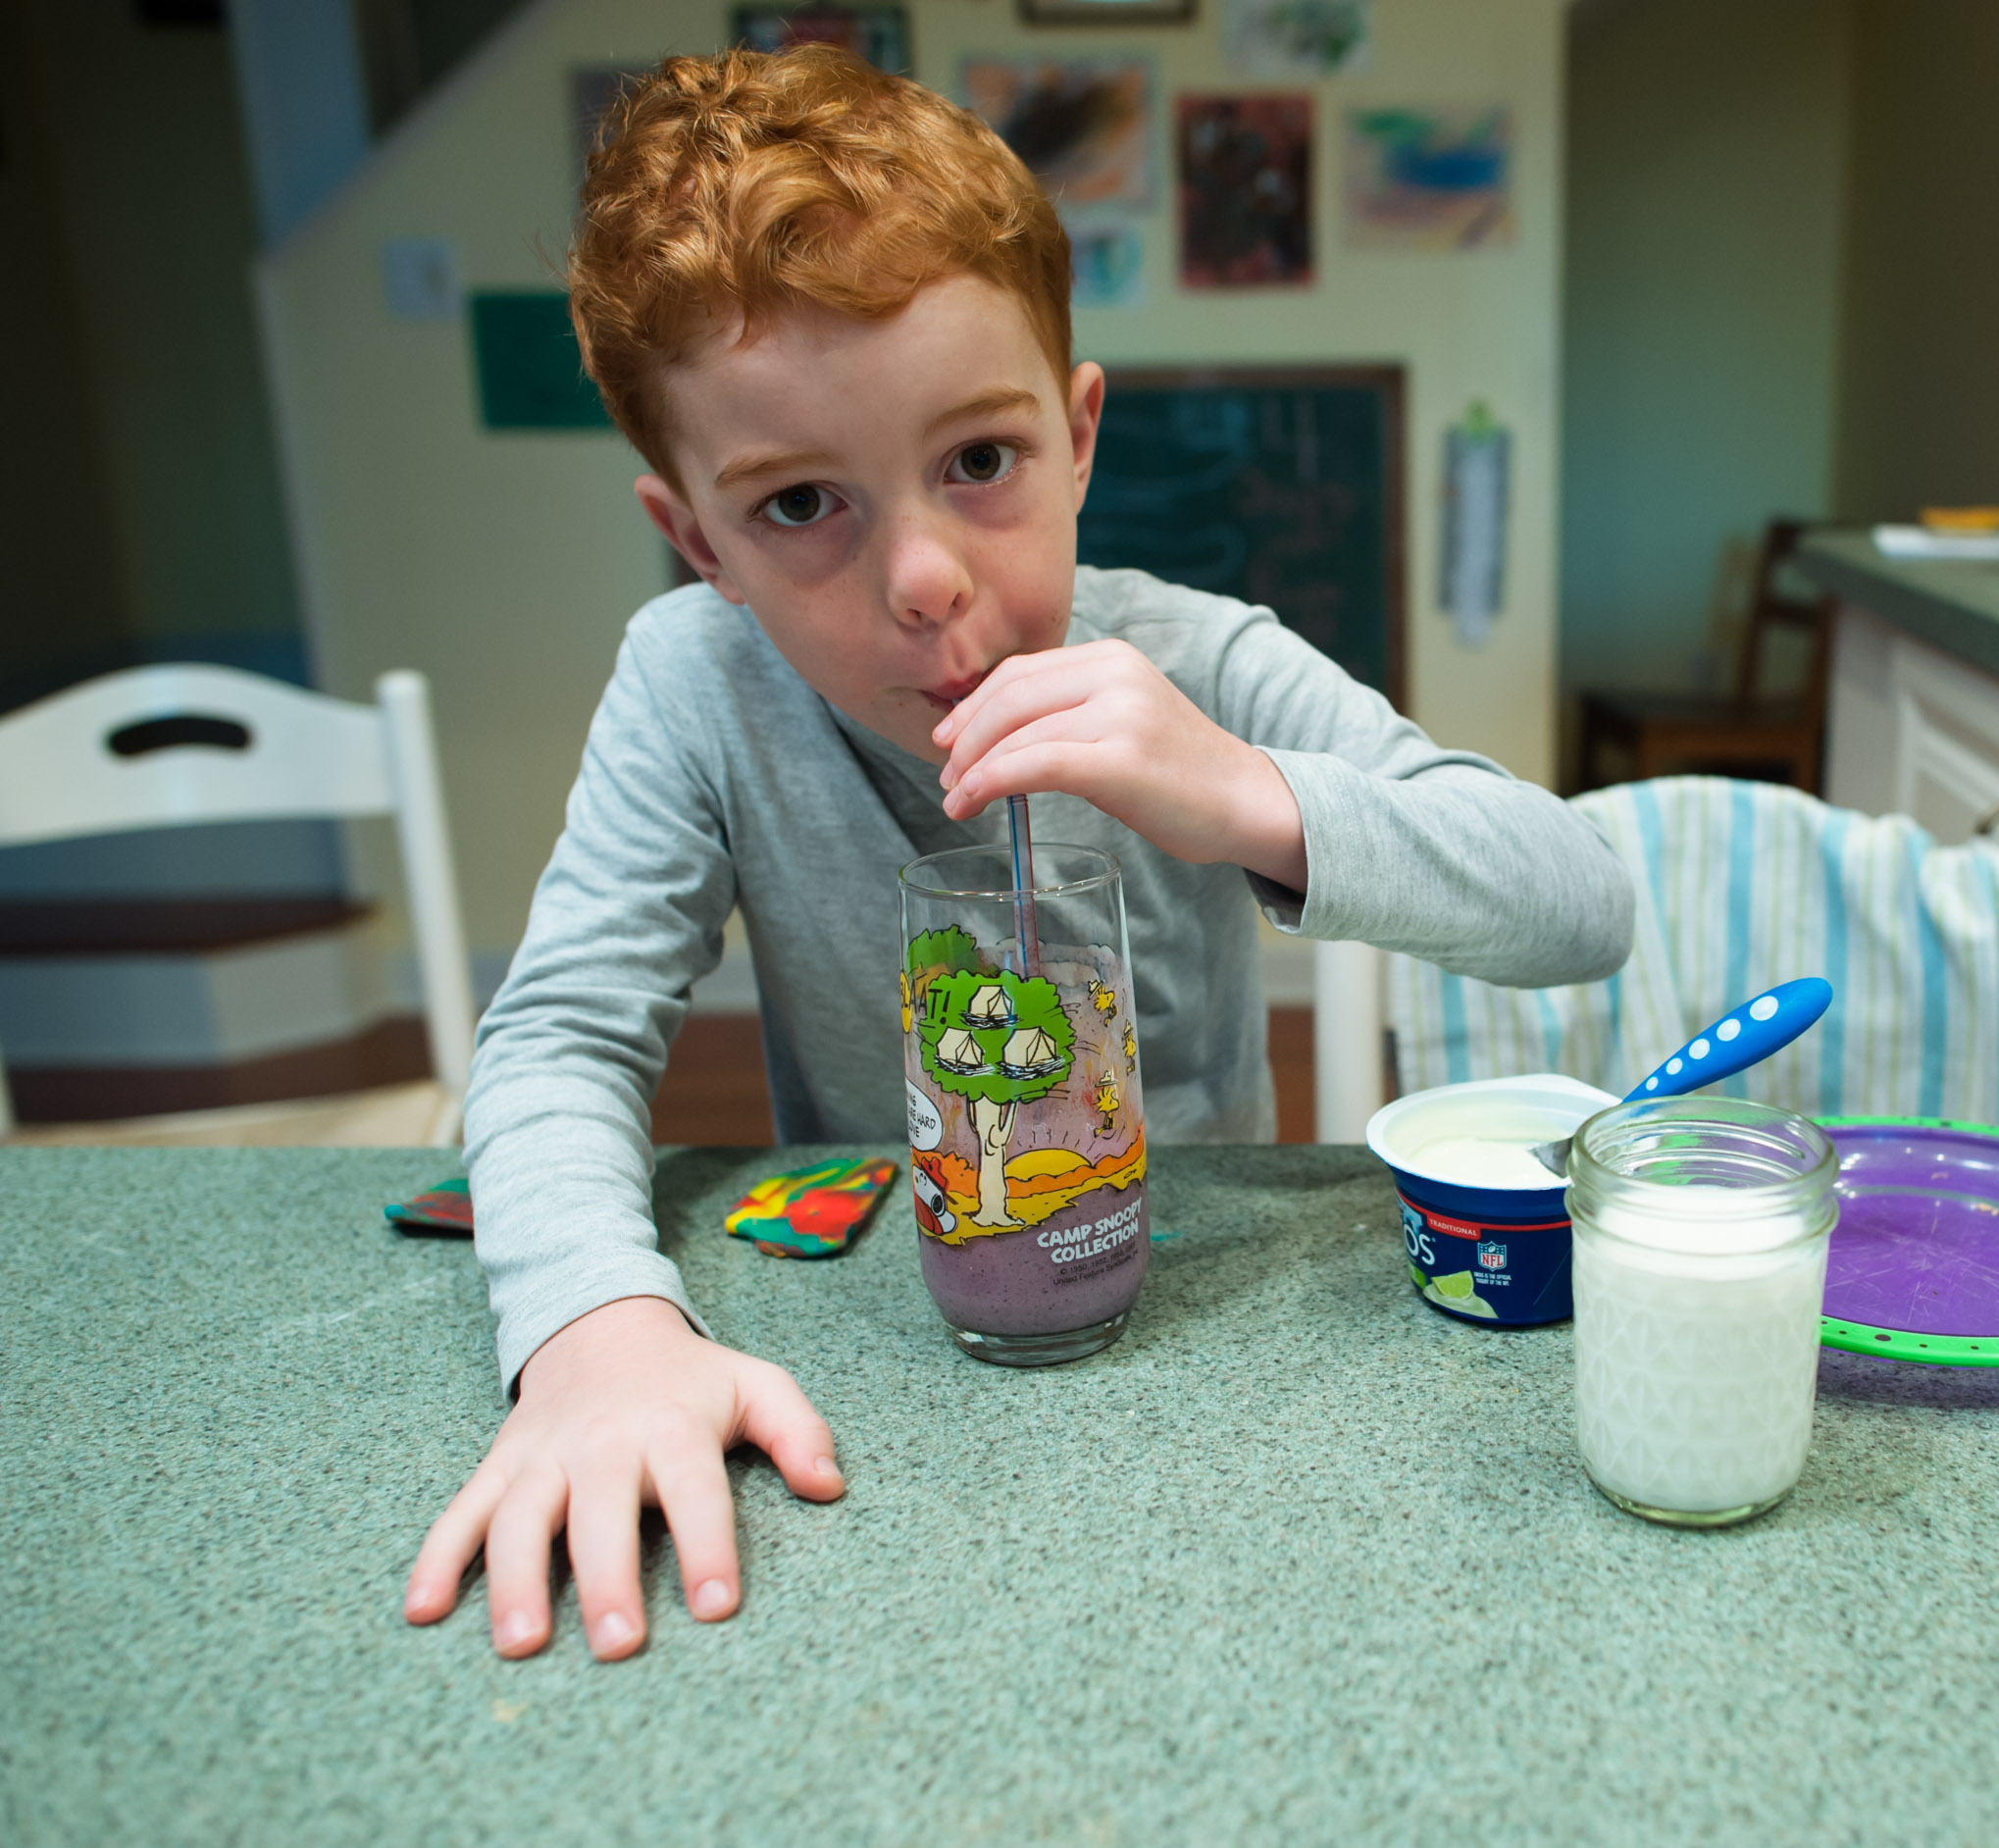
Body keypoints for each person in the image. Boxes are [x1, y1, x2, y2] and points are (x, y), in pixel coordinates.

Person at [400, 46, 1634, 1663]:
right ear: (697, 540)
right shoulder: (694, 686)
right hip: (893, 1378)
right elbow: (559, 1036)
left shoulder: (1198, 657)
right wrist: (596, 1336)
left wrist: (1236, 786)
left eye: (980, 464)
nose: (921, 579)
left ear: (1077, 433)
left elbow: (1579, 900)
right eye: (797, 508)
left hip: (1214, 1340)